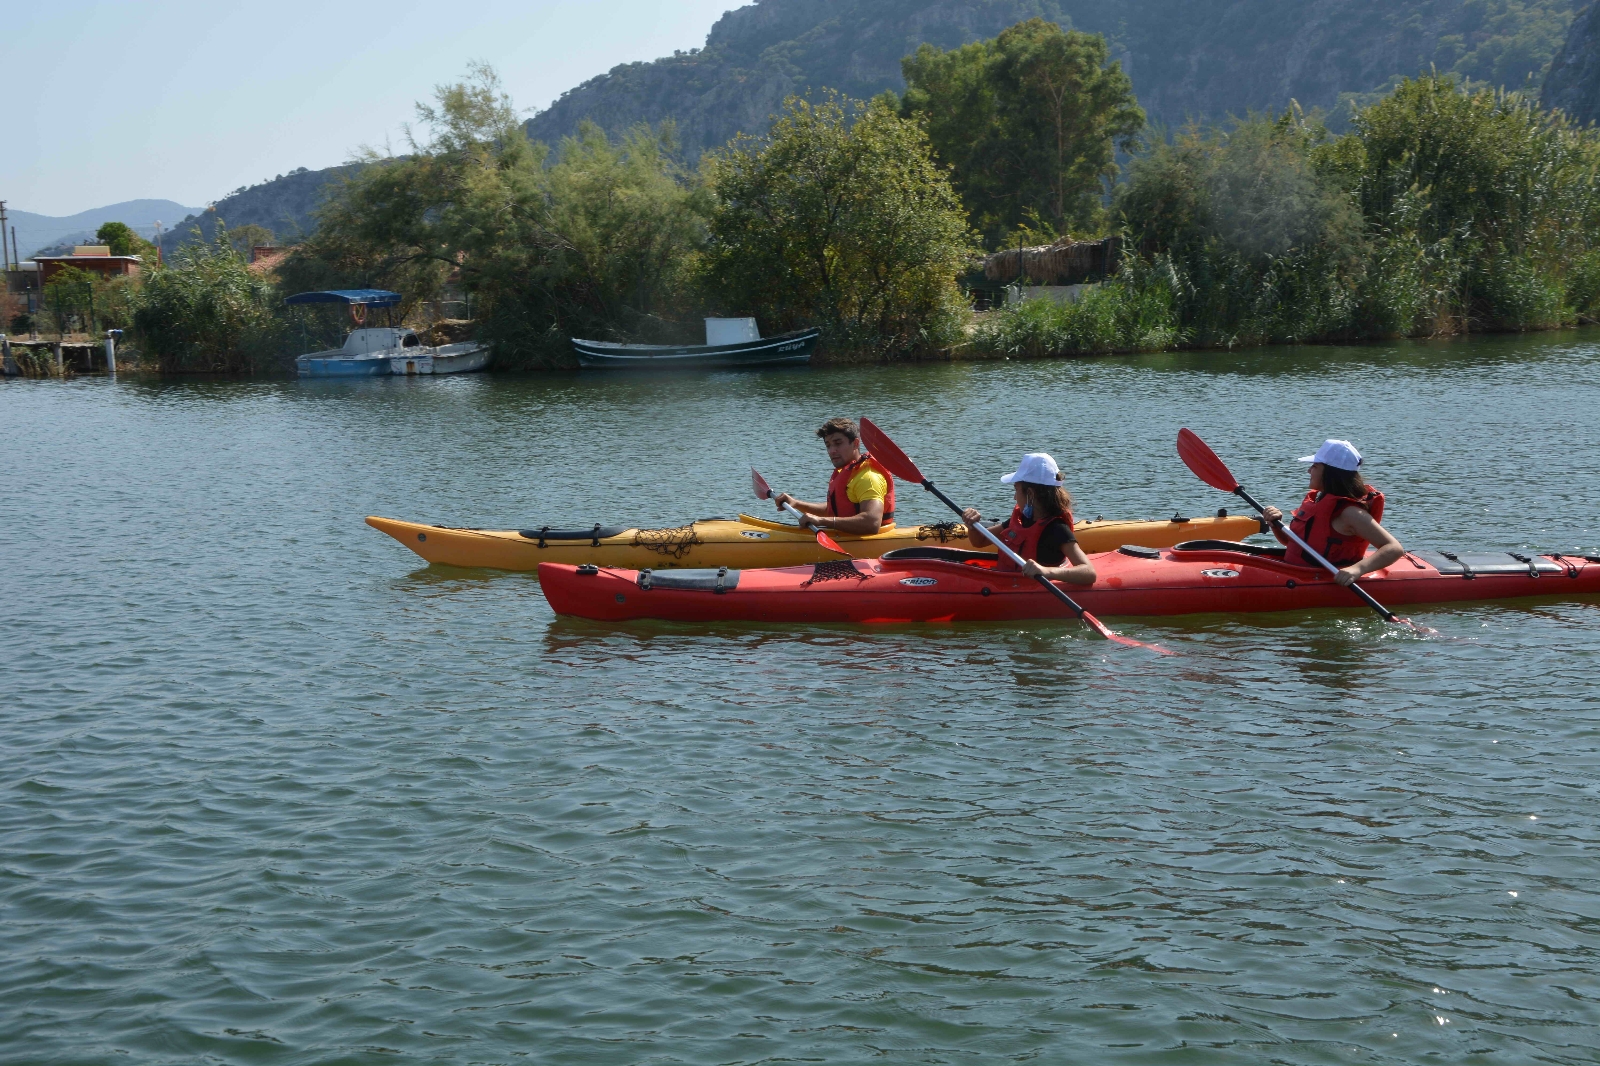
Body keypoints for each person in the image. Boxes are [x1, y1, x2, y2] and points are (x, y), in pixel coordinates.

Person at [1261, 439, 1405, 586]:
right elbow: (1296, 545)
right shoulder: (1319, 501)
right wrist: (1276, 524)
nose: (1309, 470)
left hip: (1325, 579)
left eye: (1315, 466)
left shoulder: (1350, 513)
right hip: (1297, 572)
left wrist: (1357, 569)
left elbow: (1394, 548)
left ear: (1330, 474)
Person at [960, 453, 1096, 585]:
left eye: (1016, 489)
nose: (1014, 497)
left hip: (1032, 595)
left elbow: (1089, 572)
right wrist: (972, 524)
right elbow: (980, 541)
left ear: (1030, 493)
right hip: (1006, 586)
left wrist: (1047, 571)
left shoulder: (1056, 529)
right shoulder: (1022, 520)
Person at [773, 417, 896, 536]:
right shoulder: (850, 473)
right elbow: (835, 509)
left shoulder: (868, 478)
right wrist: (796, 504)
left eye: (838, 443)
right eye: (828, 445)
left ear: (855, 443)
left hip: (871, 544)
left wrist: (821, 521)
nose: (832, 451)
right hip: (846, 537)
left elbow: (872, 523)